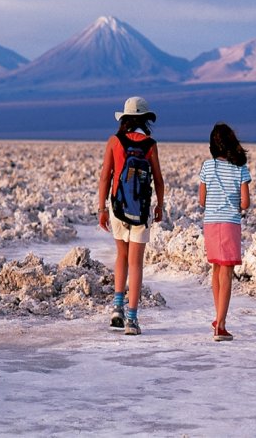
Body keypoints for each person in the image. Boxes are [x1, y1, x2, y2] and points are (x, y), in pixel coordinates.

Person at [98, 96, 164, 335]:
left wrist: (102, 209)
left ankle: (117, 309)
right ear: (145, 119)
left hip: (117, 207)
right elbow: (158, 179)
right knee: (136, 263)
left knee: (121, 256)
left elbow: (106, 176)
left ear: (124, 118)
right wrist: (159, 206)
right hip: (141, 210)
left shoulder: (114, 141)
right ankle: (132, 319)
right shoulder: (150, 144)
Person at [199, 123, 251, 341]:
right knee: (227, 273)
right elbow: (246, 203)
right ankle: (220, 325)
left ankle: (217, 315)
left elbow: (201, 200)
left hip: (211, 223)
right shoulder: (240, 169)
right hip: (230, 224)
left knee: (216, 269)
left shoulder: (207, 166)